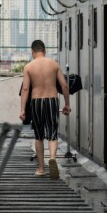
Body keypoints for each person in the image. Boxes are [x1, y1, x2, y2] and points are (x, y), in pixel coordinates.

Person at [20, 40, 71, 179]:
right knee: (53, 133)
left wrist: (22, 109)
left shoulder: (29, 67)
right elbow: (64, 85)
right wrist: (67, 104)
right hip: (52, 100)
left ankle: (41, 168)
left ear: (32, 52)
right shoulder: (54, 64)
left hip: (36, 102)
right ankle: (53, 157)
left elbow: (25, 89)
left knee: (39, 136)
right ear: (45, 50)